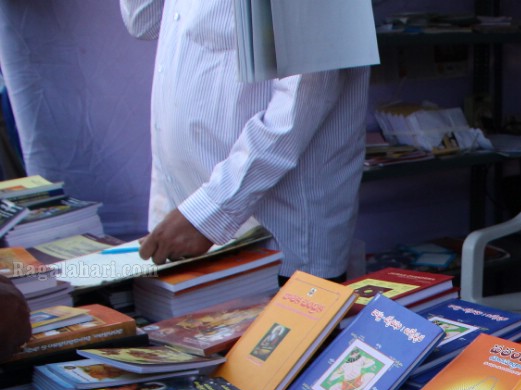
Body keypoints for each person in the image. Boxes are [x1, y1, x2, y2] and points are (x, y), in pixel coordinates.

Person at [120, 0, 369, 279]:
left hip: (276, 236)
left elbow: (302, 106)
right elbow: (142, 21)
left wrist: (210, 212)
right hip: (189, 216)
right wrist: (198, 214)